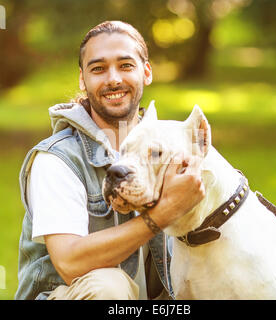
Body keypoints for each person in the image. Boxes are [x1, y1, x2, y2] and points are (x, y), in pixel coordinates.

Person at [15, 21, 206, 300]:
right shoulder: (56, 159)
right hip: (74, 295)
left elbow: (218, 198)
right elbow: (70, 263)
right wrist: (162, 214)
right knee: (109, 287)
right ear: (83, 79)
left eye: (126, 65)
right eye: (98, 69)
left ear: (147, 72)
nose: (113, 79)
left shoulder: (168, 147)